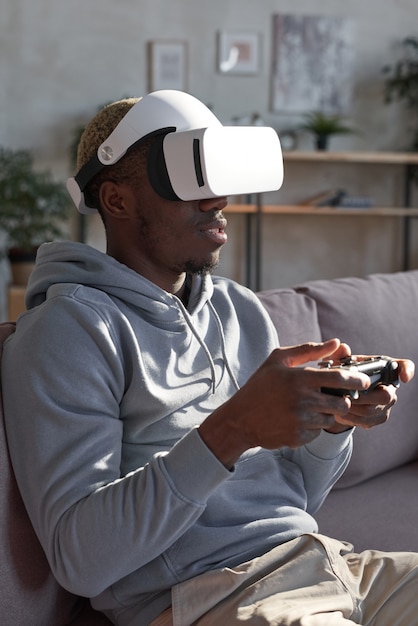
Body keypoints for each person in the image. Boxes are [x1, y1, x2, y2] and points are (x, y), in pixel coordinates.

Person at [2, 90, 416, 626]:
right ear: (117, 200)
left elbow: (296, 501)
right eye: (188, 178)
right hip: (216, 599)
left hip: (332, 565)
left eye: (217, 174)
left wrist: (330, 425)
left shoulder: (238, 309)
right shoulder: (70, 329)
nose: (217, 198)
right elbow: (81, 559)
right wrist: (234, 428)